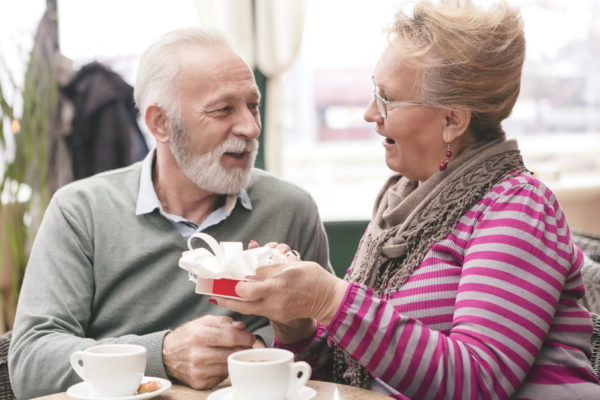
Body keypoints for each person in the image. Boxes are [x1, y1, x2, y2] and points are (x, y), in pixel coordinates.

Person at [215, 1, 600, 398]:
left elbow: (479, 382)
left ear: (452, 120)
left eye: (387, 99)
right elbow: (347, 379)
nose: (369, 113)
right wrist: (296, 323)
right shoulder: (402, 207)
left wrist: (329, 298)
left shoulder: (517, 206)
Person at [8, 27, 331, 399]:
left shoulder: (291, 210)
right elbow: (29, 364)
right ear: (160, 122)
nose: (250, 127)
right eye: (224, 109)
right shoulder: (80, 211)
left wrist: (293, 331)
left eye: (253, 105)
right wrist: (160, 354)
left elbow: (334, 363)